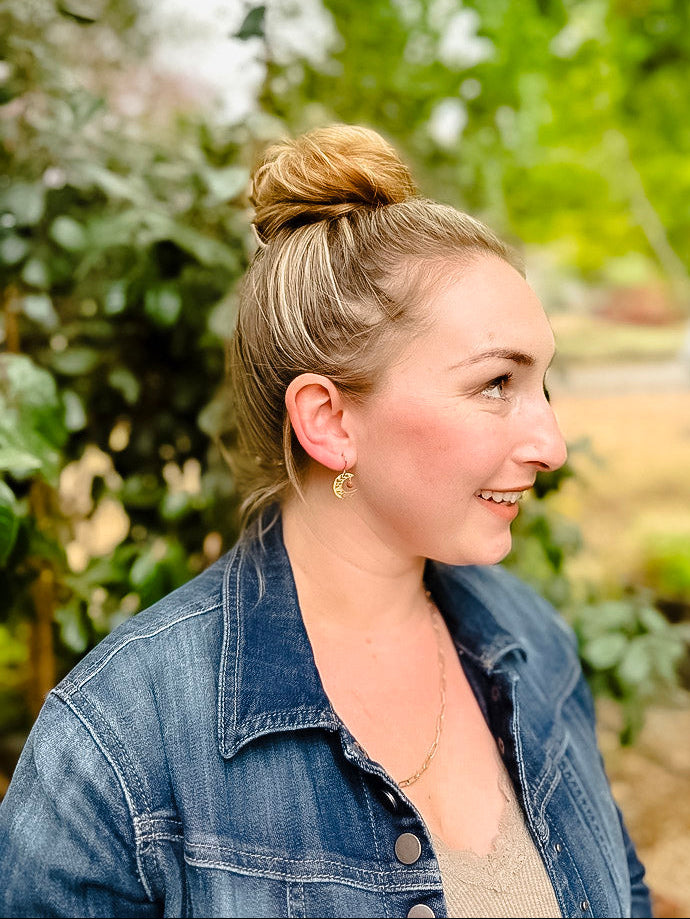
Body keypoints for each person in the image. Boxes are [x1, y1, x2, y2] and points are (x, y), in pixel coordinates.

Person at [0, 125, 651, 919]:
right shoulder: (116, 749)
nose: (551, 443)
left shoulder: (534, 644)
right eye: (495, 384)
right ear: (330, 421)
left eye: (541, 383)